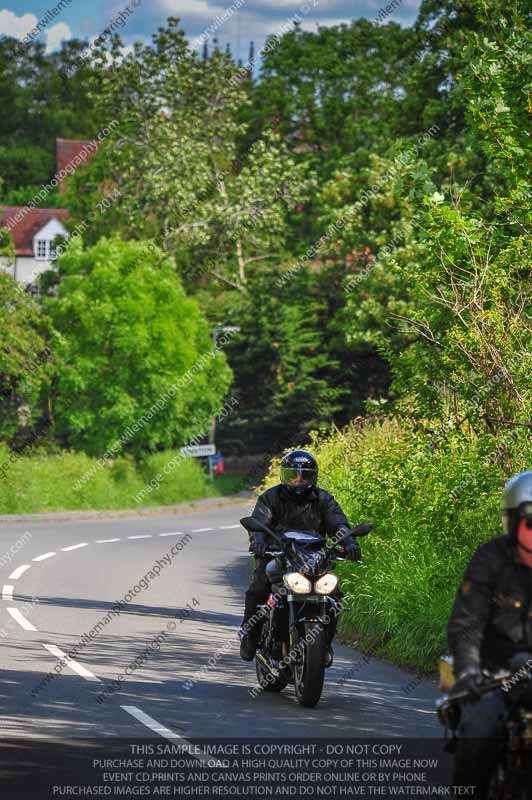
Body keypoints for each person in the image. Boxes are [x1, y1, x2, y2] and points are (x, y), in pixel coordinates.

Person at [447, 470, 532, 797]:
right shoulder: (490, 559)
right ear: (511, 522)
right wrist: (468, 670)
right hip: (496, 672)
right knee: (481, 729)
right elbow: (467, 622)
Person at [239, 449, 361, 662]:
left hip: (315, 558)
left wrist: (349, 541)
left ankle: (324, 644)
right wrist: (258, 541)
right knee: (259, 588)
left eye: (303, 475)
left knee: (334, 596)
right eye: (292, 475)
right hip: (276, 553)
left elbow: (338, 523)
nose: (297, 480)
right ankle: (250, 635)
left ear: (312, 476)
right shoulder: (271, 497)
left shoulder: (323, 499)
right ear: (284, 475)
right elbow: (259, 522)